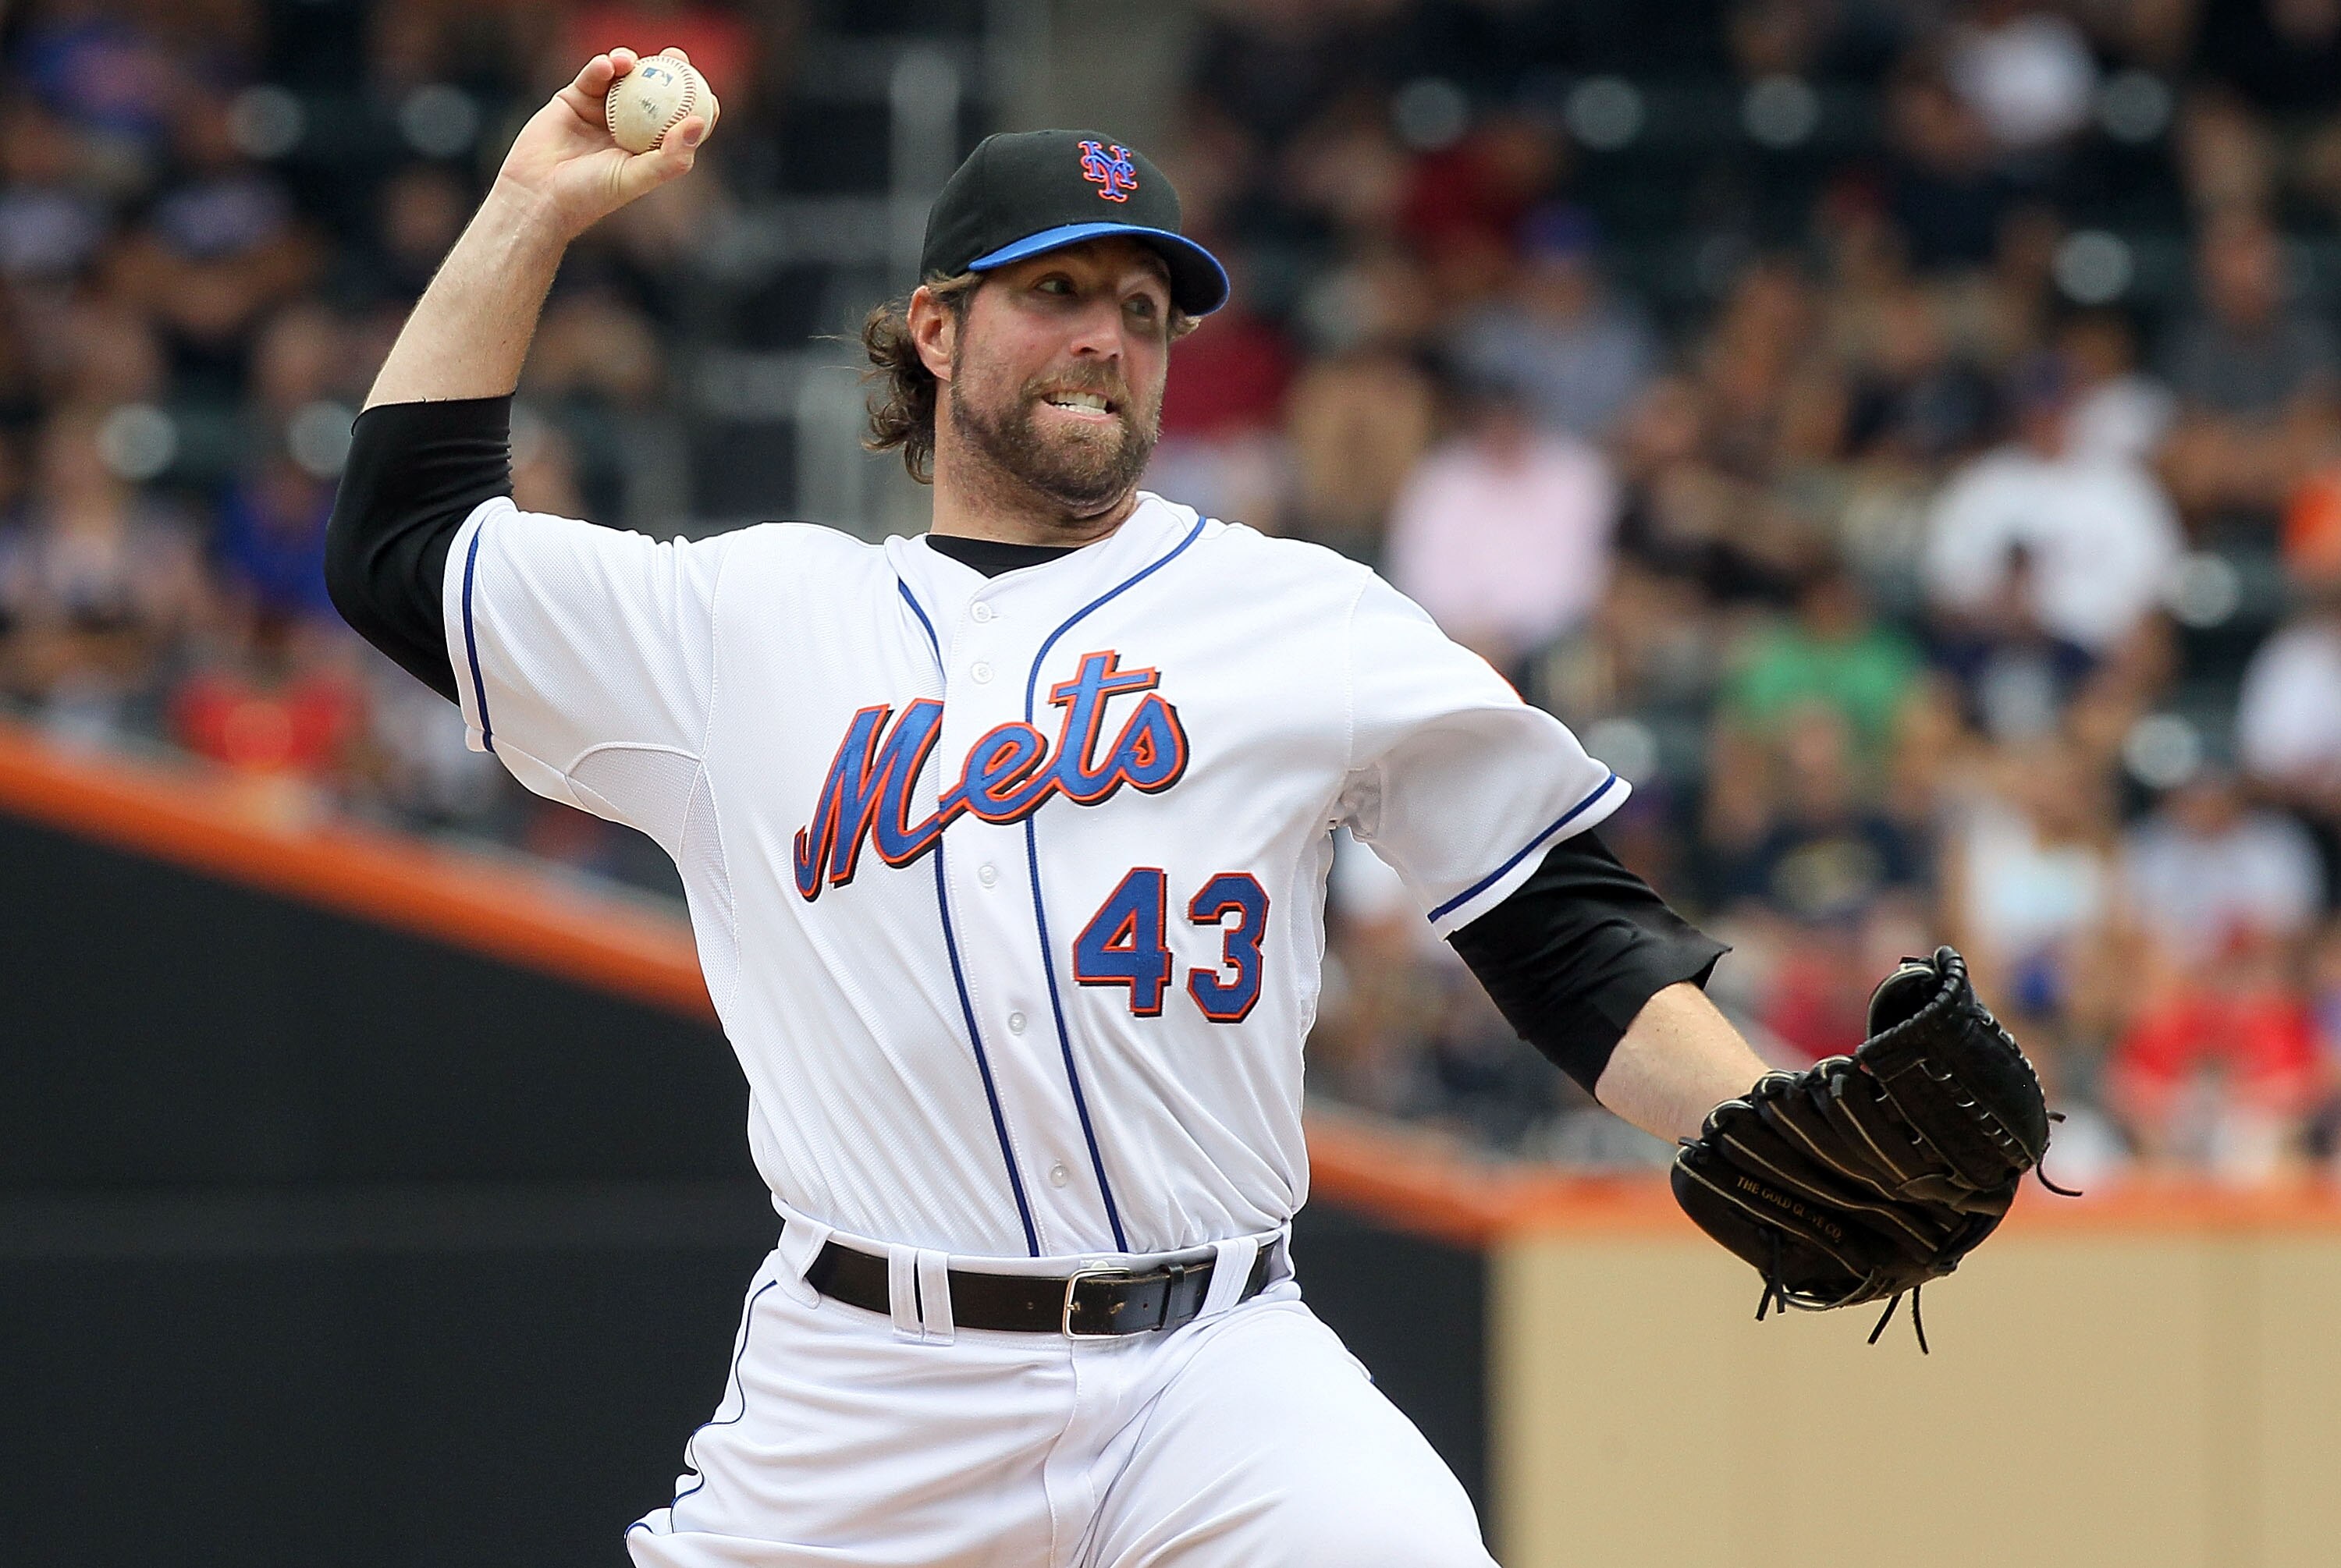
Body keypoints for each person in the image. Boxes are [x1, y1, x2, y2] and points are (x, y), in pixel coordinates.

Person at [325, 48, 1766, 1566]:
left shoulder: (1297, 616)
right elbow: (404, 545)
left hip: (1217, 1374)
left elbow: (1560, 924)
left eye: (1143, 312)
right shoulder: (740, 627)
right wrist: (532, 208)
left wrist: (1753, 1117)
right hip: (872, 1386)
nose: (1107, 338)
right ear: (936, 331)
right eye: (1057, 293)